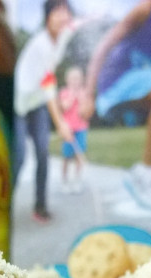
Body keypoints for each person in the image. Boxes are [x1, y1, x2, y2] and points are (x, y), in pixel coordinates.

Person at [79, 0, 151, 213]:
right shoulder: (147, 9)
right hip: (117, 78)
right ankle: (144, 173)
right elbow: (103, 46)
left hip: (150, 76)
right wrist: (88, 93)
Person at [14, 0, 76, 223]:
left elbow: (74, 27)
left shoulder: (62, 36)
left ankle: (40, 206)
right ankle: (1, 205)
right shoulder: (40, 45)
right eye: (57, 13)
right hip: (20, 103)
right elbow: (49, 86)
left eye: (66, 13)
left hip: (38, 102)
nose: (63, 17)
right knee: (19, 157)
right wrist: (60, 123)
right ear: (47, 17)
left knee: (43, 153)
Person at [58, 66, 89, 194]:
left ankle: (77, 180)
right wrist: (72, 96)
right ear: (67, 80)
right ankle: (64, 181)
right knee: (66, 156)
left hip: (81, 128)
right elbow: (65, 107)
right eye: (73, 79)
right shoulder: (64, 92)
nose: (76, 81)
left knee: (79, 154)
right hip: (68, 129)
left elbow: (85, 110)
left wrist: (81, 98)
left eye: (78, 79)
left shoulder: (84, 92)